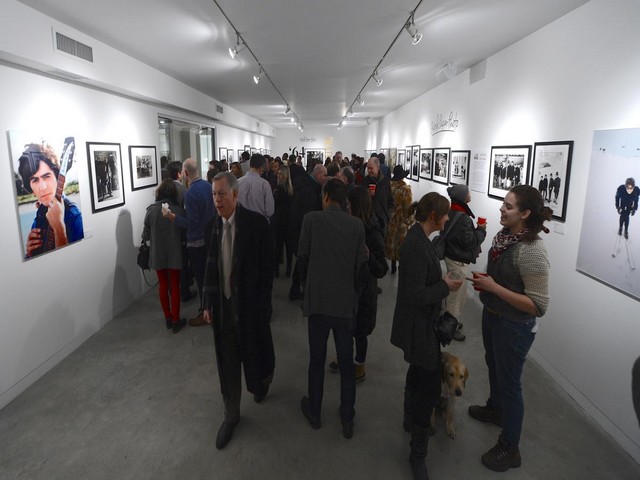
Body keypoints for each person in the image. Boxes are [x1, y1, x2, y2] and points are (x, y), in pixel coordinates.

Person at [468, 185, 552, 472]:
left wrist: (494, 287)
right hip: (493, 316)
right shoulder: (505, 237)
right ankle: (496, 409)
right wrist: (488, 283)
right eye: (503, 204)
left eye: (508, 206)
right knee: (494, 366)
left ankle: (510, 447)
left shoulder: (532, 250)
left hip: (515, 327)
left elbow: (538, 305)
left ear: (525, 214)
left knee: (511, 384)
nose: (501, 209)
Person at [390, 192, 463, 480]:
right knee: (429, 390)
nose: (447, 218)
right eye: (445, 214)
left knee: (418, 373)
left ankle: (409, 420)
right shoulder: (415, 245)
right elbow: (415, 295)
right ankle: (417, 454)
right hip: (418, 327)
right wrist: (445, 287)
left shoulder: (422, 240)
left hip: (422, 325)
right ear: (433, 216)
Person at [202, 172, 275, 450]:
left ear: (235, 194)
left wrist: (263, 306)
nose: (217, 200)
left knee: (257, 352)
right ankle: (231, 415)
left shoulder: (256, 225)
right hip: (224, 306)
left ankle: (262, 382)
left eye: (221, 194)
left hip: (250, 306)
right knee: (228, 361)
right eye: (214, 194)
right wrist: (208, 302)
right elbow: (210, 268)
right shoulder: (212, 226)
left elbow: (267, 270)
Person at [298, 178, 367, 439]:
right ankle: (347, 417)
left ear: (326, 196)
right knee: (347, 363)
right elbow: (361, 269)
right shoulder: (357, 225)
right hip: (344, 305)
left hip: (317, 302)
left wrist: (306, 289)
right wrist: (354, 296)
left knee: (316, 359)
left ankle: (315, 412)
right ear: (345, 200)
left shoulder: (311, 220)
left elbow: (302, 259)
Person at [329, 186, 388, 383]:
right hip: (347, 287)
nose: (346, 206)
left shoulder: (373, 232)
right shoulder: (348, 225)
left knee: (360, 331)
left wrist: (369, 257)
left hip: (364, 291)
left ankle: (359, 364)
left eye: (348, 204)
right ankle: (343, 356)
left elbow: (381, 269)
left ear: (356, 205)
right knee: (345, 327)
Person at [164, 158, 215, 326]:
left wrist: (173, 217)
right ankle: (211, 309)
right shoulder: (208, 186)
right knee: (209, 277)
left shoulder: (191, 193)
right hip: (209, 238)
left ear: (185, 173)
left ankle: (205, 312)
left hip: (197, 242)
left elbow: (192, 222)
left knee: (201, 279)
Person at [17, 142, 84, 259]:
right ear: (31, 189)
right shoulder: (39, 217)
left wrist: (59, 229)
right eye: (35, 180)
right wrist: (30, 255)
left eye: (46, 176)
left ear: (58, 177)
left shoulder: (75, 217)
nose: (43, 187)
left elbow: (75, 262)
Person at [442, 184, 487, 340]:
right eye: (468, 192)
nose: (470, 194)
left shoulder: (451, 211)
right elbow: (470, 242)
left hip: (451, 257)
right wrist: (481, 229)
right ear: (463, 197)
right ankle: (450, 328)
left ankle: (450, 321)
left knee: (452, 294)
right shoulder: (463, 218)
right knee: (456, 298)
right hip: (458, 261)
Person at [142, 179, 186, 333]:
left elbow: (145, 235)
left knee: (163, 285)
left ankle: (168, 317)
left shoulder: (151, 210)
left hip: (158, 253)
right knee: (174, 285)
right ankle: (176, 319)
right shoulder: (178, 210)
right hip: (175, 252)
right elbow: (184, 232)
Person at [288, 164, 328, 301]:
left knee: (302, 260)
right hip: (302, 232)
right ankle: (300, 290)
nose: (326, 178)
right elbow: (307, 215)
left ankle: (296, 289)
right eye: (324, 175)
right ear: (318, 175)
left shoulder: (308, 187)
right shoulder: (310, 191)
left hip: (299, 231)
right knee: (304, 261)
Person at [385, 165, 413, 275]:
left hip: (390, 219)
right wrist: (410, 221)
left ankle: (392, 266)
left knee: (392, 242)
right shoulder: (405, 189)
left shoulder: (388, 186)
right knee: (401, 246)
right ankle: (401, 268)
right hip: (401, 221)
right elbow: (408, 207)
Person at [359, 156, 393, 238]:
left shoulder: (385, 182)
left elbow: (391, 201)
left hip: (382, 222)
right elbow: (359, 201)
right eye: (368, 168)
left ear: (377, 167)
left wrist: (387, 215)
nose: (369, 171)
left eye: (371, 168)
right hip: (367, 222)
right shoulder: (364, 182)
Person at [237, 153, 275, 220]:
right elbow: (270, 211)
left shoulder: (237, 182)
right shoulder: (264, 184)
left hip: (241, 222)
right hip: (260, 222)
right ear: (261, 167)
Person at [273, 164, 294, 278]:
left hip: (280, 220)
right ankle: (289, 268)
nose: (278, 175)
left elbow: (276, 203)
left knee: (278, 246)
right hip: (288, 220)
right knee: (288, 246)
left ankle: (276, 270)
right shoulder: (291, 188)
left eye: (280, 174)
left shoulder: (280, 188)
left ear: (285, 175)